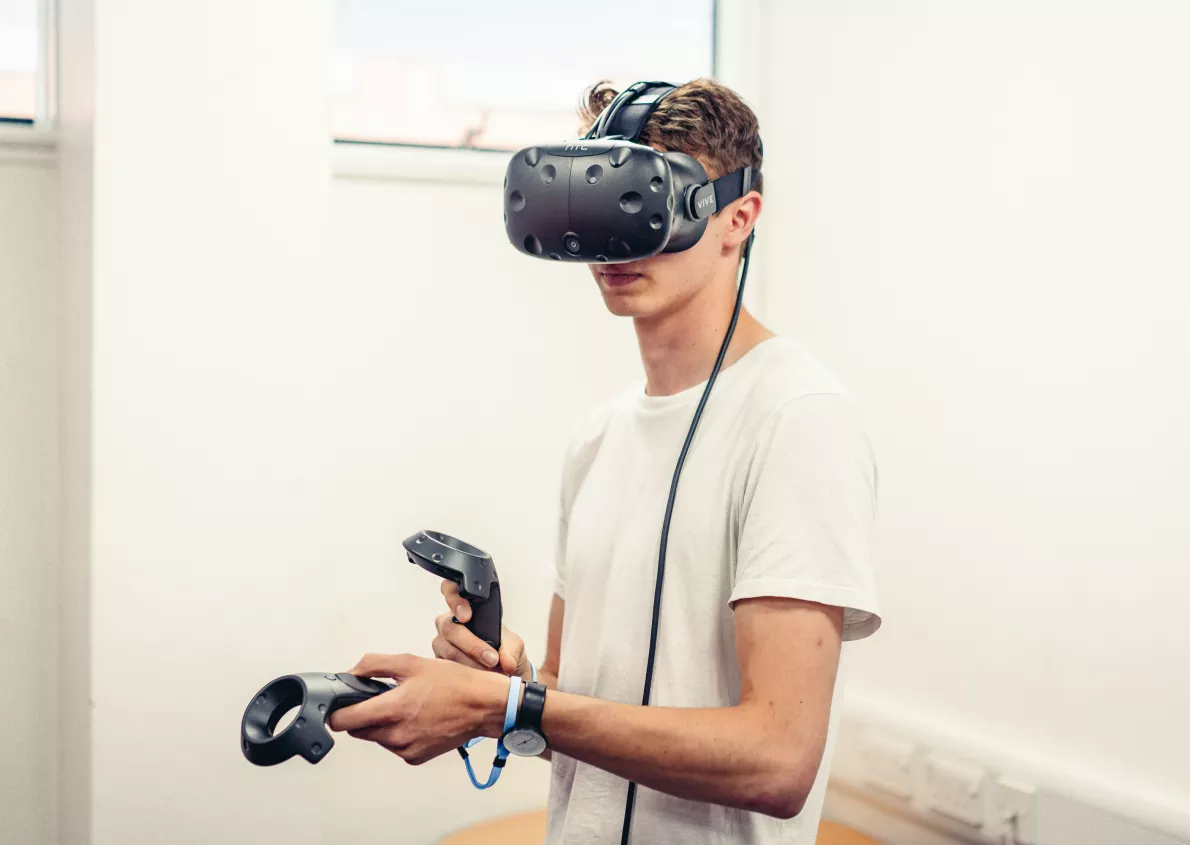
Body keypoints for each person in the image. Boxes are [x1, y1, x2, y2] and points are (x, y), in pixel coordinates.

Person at [329, 78, 882, 845]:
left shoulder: (797, 419)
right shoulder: (596, 439)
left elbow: (777, 760)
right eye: (596, 205)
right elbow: (571, 706)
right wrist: (509, 686)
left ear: (738, 218)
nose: (614, 243)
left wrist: (510, 709)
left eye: (644, 203)